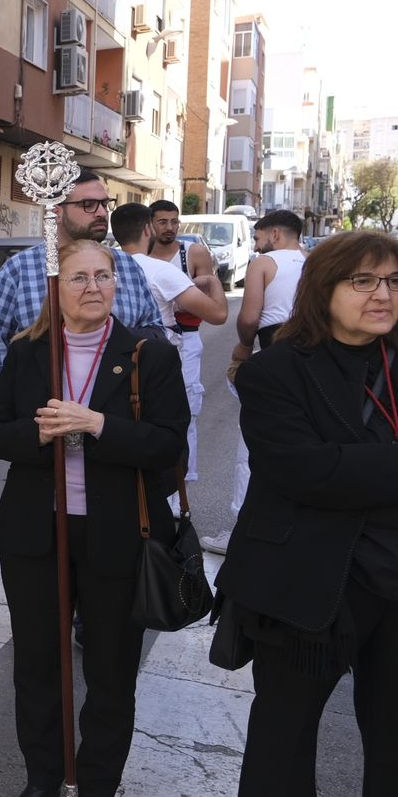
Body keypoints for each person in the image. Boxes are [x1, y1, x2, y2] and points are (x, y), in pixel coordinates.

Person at [0, 240, 189, 797]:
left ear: (117, 284)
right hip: (34, 531)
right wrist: (38, 434)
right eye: (78, 278)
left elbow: (169, 446)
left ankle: (95, 787)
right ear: (57, 288)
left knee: (110, 667)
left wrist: (98, 424)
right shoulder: (30, 353)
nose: (92, 287)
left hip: (117, 532)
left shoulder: (150, 354)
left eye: (103, 276)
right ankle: (44, 778)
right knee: (38, 662)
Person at [218, 230, 398, 797]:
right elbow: (304, 473)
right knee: (283, 743)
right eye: (364, 281)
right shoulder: (276, 371)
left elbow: (333, 469)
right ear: (324, 289)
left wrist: (352, 471)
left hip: (391, 579)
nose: (383, 295)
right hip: (304, 587)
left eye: (394, 282)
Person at [0, 171, 162, 388]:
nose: (101, 212)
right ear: (57, 212)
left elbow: (156, 331)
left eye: (104, 203)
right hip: (42, 414)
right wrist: (17, 409)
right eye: (88, 204)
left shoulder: (128, 267)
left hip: (114, 416)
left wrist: (105, 336)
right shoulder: (18, 270)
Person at [206, 210, 306, 556]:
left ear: (275, 234)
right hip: (313, 352)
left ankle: (242, 528)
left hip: (274, 348)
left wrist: (244, 346)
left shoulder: (263, 264)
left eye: (259, 236)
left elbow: (249, 316)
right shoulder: (314, 261)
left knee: (251, 439)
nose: (256, 243)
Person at [146, 199, 216, 485]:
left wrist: (183, 297)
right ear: (149, 224)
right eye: (163, 221)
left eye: (174, 221)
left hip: (186, 339)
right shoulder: (141, 253)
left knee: (185, 411)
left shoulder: (193, 252)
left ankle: (181, 487)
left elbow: (209, 300)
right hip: (150, 340)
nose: (170, 227)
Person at [108, 204, 228, 342]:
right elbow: (218, 314)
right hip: (158, 352)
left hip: (118, 350)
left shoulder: (105, 267)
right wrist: (214, 281)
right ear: (148, 229)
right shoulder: (161, 270)